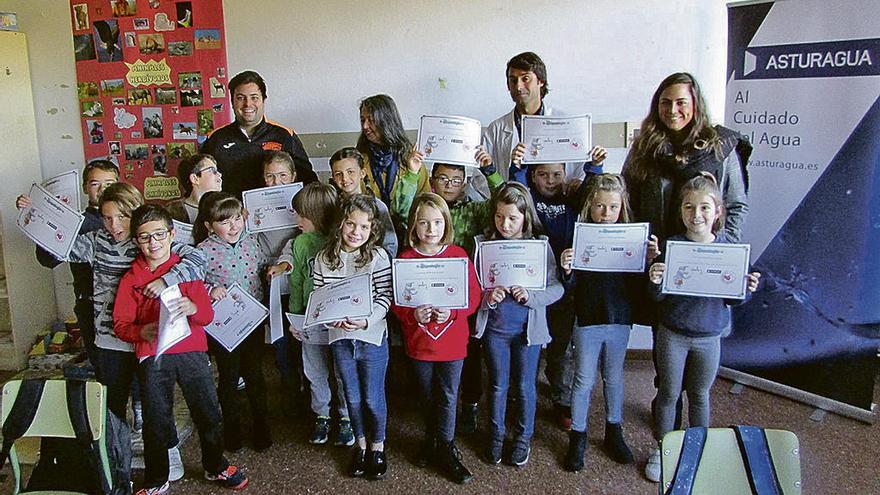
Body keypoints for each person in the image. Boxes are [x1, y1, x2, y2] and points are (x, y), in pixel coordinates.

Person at [621, 72, 751, 443]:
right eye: (665, 102)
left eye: (681, 102)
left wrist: (720, 250)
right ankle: (667, 410)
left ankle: (683, 425)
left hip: (704, 266)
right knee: (665, 333)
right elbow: (626, 202)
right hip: (658, 262)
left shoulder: (720, 148)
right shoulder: (644, 147)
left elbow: (736, 204)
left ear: (695, 105)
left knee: (695, 372)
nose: (672, 110)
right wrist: (636, 248)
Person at [113, 205, 248, 494]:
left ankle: (215, 465)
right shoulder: (131, 279)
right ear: (136, 240)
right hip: (153, 355)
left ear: (172, 234)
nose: (154, 243)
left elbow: (207, 317)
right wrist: (141, 332)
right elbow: (121, 324)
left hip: (192, 353)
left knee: (208, 411)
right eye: (145, 237)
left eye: (160, 234)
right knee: (156, 418)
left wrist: (194, 307)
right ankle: (156, 478)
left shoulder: (186, 272)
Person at [644, 173, 760, 482]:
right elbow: (657, 297)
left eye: (705, 208)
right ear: (680, 211)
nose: (696, 215)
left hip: (709, 337)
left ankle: (699, 451)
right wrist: (654, 280)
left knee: (699, 395)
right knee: (668, 394)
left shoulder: (730, 250)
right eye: (689, 207)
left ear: (718, 211)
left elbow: (733, 302)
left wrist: (745, 288)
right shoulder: (672, 246)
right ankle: (663, 450)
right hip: (673, 334)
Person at [558, 174, 659, 471]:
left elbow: (640, 283)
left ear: (621, 208)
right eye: (600, 206)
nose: (605, 214)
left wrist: (651, 260)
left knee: (614, 377)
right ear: (590, 206)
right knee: (583, 379)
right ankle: (578, 436)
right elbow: (571, 284)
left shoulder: (632, 238)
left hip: (619, 318)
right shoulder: (580, 237)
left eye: (612, 207)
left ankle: (614, 431)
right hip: (588, 317)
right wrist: (566, 269)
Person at [391, 193, 481, 484]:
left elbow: (473, 297)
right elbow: (397, 301)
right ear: (414, 226)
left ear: (447, 223)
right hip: (419, 343)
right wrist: (411, 314)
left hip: (452, 343)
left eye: (438, 222)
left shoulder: (458, 256)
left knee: (448, 395)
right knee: (426, 395)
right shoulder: (405, 259)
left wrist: (453, 313)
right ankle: (431, 440)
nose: (431, 229)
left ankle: (446, 446)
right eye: (424, 223)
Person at [474, 183, 563, 467]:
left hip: (528, 332)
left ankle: (523, 438)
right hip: (495, 331)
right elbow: (470, 289)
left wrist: (532, 297)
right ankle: (496, 436)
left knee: (525, 387)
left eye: (513, 218)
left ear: (526, 215)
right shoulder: (483, 245)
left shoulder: (540, 246)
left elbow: (557, 288)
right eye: (499, 217)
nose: (505, 224)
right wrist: (488, 296)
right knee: (498, 385)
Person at [194, 192, 286, 452]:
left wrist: (271, 271)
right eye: (224, 222)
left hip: (253, 320)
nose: (233, 226)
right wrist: (211, 288)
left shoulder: (252, 242)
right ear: (210, 226)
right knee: (229, 376)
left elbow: (265, 264)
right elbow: (191, 283)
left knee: (255, 374)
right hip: (223, 327)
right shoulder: (203, 251)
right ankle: (231, 427)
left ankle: (261, 425)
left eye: (237, 219)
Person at [314, 195, 393, 480]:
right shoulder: (324, 258)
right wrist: (328, 316)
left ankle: (378, 446)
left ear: (372, 230)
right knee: (353, 397)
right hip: (340, 338)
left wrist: (367, 319)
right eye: (350, 224)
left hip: (371, 337)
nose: (356, 232)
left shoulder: (378, 257)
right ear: (340, 225)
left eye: (363, 227)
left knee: (372, 397)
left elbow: (386, 297)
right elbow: (319, 298)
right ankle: (360, 445)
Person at [526, 156, 605, 430]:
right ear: (533, 176)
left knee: (561, 349)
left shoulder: (572, 199)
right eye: (543, 175)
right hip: (534, 286)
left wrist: (594, 167)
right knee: (530, 345)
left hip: (566, 286)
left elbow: (592, 192)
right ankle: (524, 395)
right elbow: (515, 183)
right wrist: (515, 168)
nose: (550, 180)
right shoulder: (528, 200)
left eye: (556, 174)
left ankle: (562, 398)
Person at [427, 151, 501, 435]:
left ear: (464, 182)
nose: (449, 185)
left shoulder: (475, 208)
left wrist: (490, 170)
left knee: (469, 353)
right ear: (433, 181)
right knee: (432, 352)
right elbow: (400, 206)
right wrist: (411, 173)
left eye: (456, 180)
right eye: (443, 179)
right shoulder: (424, 207)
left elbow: (503, 199)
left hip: (463, 294)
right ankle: (435, 406)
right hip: (429, 290)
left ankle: (469, 404)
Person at [19, 160, 118, 365]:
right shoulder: (74, 222)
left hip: (124, 300)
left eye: (109, 183)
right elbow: (47, 260)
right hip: (89, 302)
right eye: (95, 184)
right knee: (101, 363)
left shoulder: (130, 219)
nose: (102, 189)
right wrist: (36, 214)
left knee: (132, 365)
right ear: (84, 188)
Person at [287, 182, 353, 447]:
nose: (296, 219)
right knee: (314, 370)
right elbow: (297, 281)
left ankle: (347, 417)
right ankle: (322, 414)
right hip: (309, 320)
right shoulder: (301, 242)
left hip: (339, 320)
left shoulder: (341, 241)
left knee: (342, 371)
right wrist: (295, 317)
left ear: (314, 215)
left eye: (300, 214)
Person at [201, 70, 317, 197]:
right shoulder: (215, 139)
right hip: (231, 215)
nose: (247, 104)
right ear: (232, 101)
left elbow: (308, 181)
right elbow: (200, 183)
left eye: (254, 97)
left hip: (280, 212)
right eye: (240, 98)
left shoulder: (284, 135)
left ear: (263, 100)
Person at [482, 52, 586, 190]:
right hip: (514, 207)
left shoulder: (566, 124)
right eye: (513, 80)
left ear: (540, 81)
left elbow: (581, 172)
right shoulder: (496, 129)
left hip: (558, 206)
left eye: (525, 78)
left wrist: (576, 186)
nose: (518, 86)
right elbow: (481, 177)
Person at [357, 94, 431, 240]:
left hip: (409, 235)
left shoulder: (411, 159)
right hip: (370, 237)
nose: (365, 126)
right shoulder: (359, 159)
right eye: (362, 120)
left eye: (371, 120)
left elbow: (425, 201)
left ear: (386, 121)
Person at [328, 147, 398, 257]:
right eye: (338, 174)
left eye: (350, 172)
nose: (345, 179)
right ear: (333, 177)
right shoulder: (332, 205)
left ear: (362, 173)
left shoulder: (378, 207)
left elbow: (390, 245)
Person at [166, 154, 223, 223]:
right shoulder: (172, 211)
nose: (220, 174)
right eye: (212, 170)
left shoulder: (226, 206)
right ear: (195, 178)